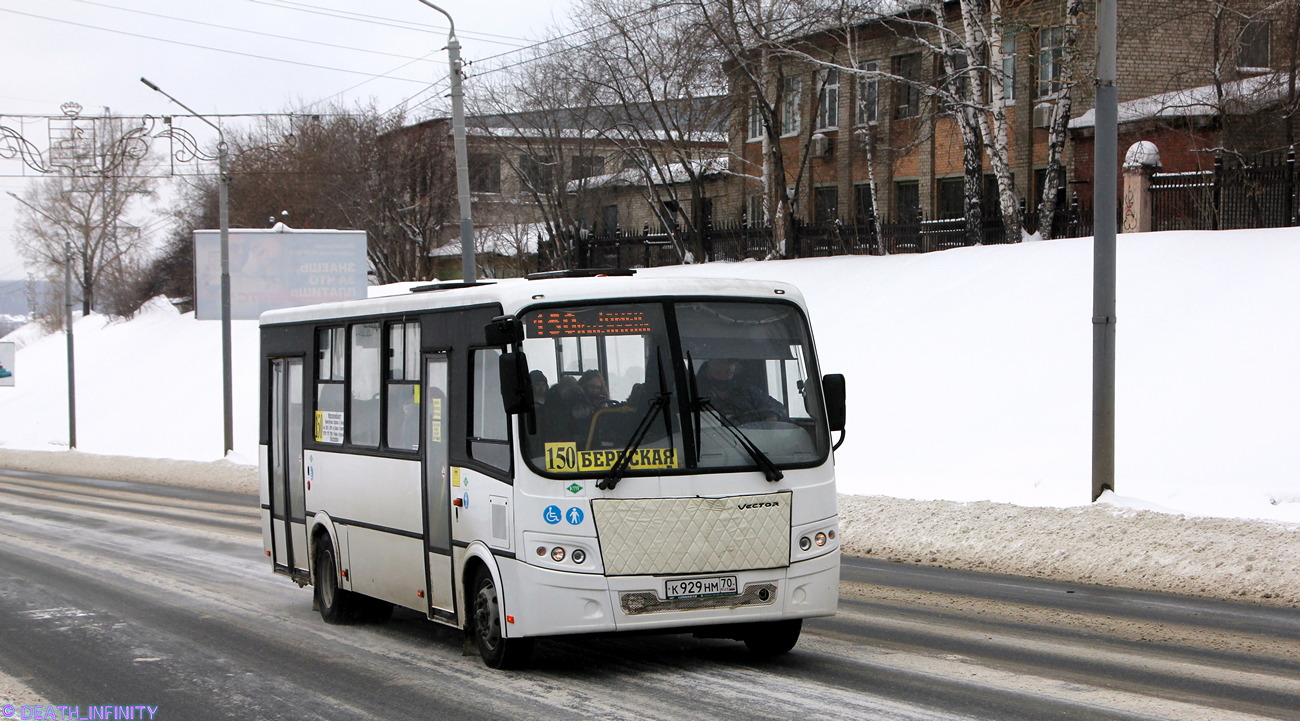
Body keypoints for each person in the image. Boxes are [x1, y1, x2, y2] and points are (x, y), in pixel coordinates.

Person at [695, 359, 786, 424]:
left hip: (754, 444)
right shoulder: (696, 397)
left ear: (734, 373)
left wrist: (772, 417)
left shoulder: (749, 393)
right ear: (708, 375)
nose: (723, 377)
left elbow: (778, 408)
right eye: (717, 373)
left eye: (728, 372)